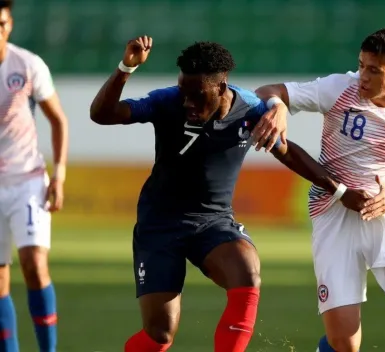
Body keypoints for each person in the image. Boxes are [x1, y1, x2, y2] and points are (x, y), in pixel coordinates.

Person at [89, 37, 369, 352]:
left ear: (222, 87)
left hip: (213, 222)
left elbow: (287, 152)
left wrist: (339, 190)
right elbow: (102, 114)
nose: (187, 103)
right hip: (159, 226)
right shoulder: (167, 102)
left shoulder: (250, 111)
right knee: (159, 335)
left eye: (196, 96)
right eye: (184, 93)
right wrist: (126, 67)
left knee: (247, 271)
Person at [254, 28, 385, 352]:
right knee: (345, 343)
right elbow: (268, 90)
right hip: (333, 216)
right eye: (362, 65)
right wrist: (277, 104)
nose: (363, 76)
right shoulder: (338, 88)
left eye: (374, 70)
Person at [0, 0, 69, 351]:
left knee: (33, 264)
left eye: (1, 23)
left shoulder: (26, 65)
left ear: (9, 25)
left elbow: (58, 120)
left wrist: (58, 176)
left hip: (27, 181)